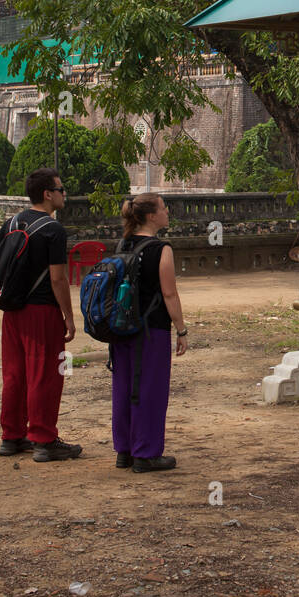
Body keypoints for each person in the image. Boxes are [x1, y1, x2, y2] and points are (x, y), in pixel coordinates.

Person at [0, 167, 81, 462]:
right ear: (48, 195)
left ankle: (12, 436)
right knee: (46, 375)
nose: (64, 194)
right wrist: (69, 317)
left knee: (14, 375)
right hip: (41, 312)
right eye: (61, 190)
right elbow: (58, 279)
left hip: (12, 312)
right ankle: (44, 439)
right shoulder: (53, 230)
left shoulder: (13, 222)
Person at [110, 193, 187, 473]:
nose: (167, 213)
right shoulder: (160, 249)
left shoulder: (122, 244)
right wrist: (181, 329)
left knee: (124, 387)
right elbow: (169, 293)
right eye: (164, 209)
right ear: (152, 216)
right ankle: (146, 452)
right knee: (150, 389)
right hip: (151, 328)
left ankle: (125, 450)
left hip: (122, 327)